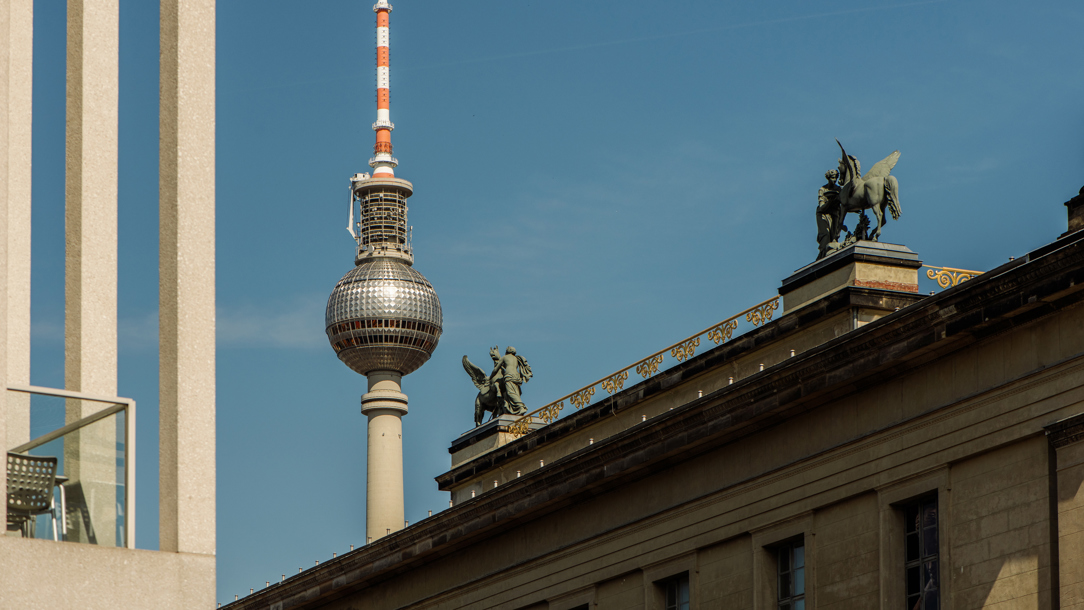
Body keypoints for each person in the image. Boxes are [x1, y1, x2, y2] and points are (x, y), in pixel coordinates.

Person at [489, 346, 532, 415]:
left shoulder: (504, 357)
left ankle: (521, 407)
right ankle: (512, 409)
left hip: (509, 376)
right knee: (516, 393)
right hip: (517, 376)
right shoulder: (516, 358)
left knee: (510, 393)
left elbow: (495, 369)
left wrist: (490, 377)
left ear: (507, 351)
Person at [816, 169, 845, 259]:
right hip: (823, 214)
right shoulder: (822, 190)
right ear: (828, 178)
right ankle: (821, 257)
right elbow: (822, 208)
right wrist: (830, 201)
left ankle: (829, 257)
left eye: (835, 178)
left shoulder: (839, 189)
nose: (834, 180)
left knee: (834, 238)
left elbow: (844, 204)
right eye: (832, 178)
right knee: (825, 236)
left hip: (835, 214)